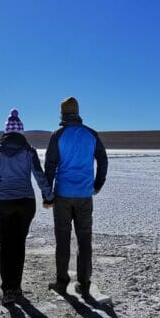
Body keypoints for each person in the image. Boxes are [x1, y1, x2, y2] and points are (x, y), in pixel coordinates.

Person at [0, 108, 54, 304]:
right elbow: (39, 176)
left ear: (6, 131)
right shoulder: (29, 150)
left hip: (3, 204)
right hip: (25, 203)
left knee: (5, 245)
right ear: (21, 131)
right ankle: (16, 287)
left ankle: (8, 289)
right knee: (19, 244)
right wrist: (49, 195)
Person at [43, 96, 108, 296]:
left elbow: (50, 166)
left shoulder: (58, 135)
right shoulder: (91, 134)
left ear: (62, 113)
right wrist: (97, 184)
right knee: (84, 238)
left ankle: (62, 281)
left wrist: (48, 195)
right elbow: (103, 161)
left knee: (62, 238)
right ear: (77, 112)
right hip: (84, 196)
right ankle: (84, 282)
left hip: (63, 195)